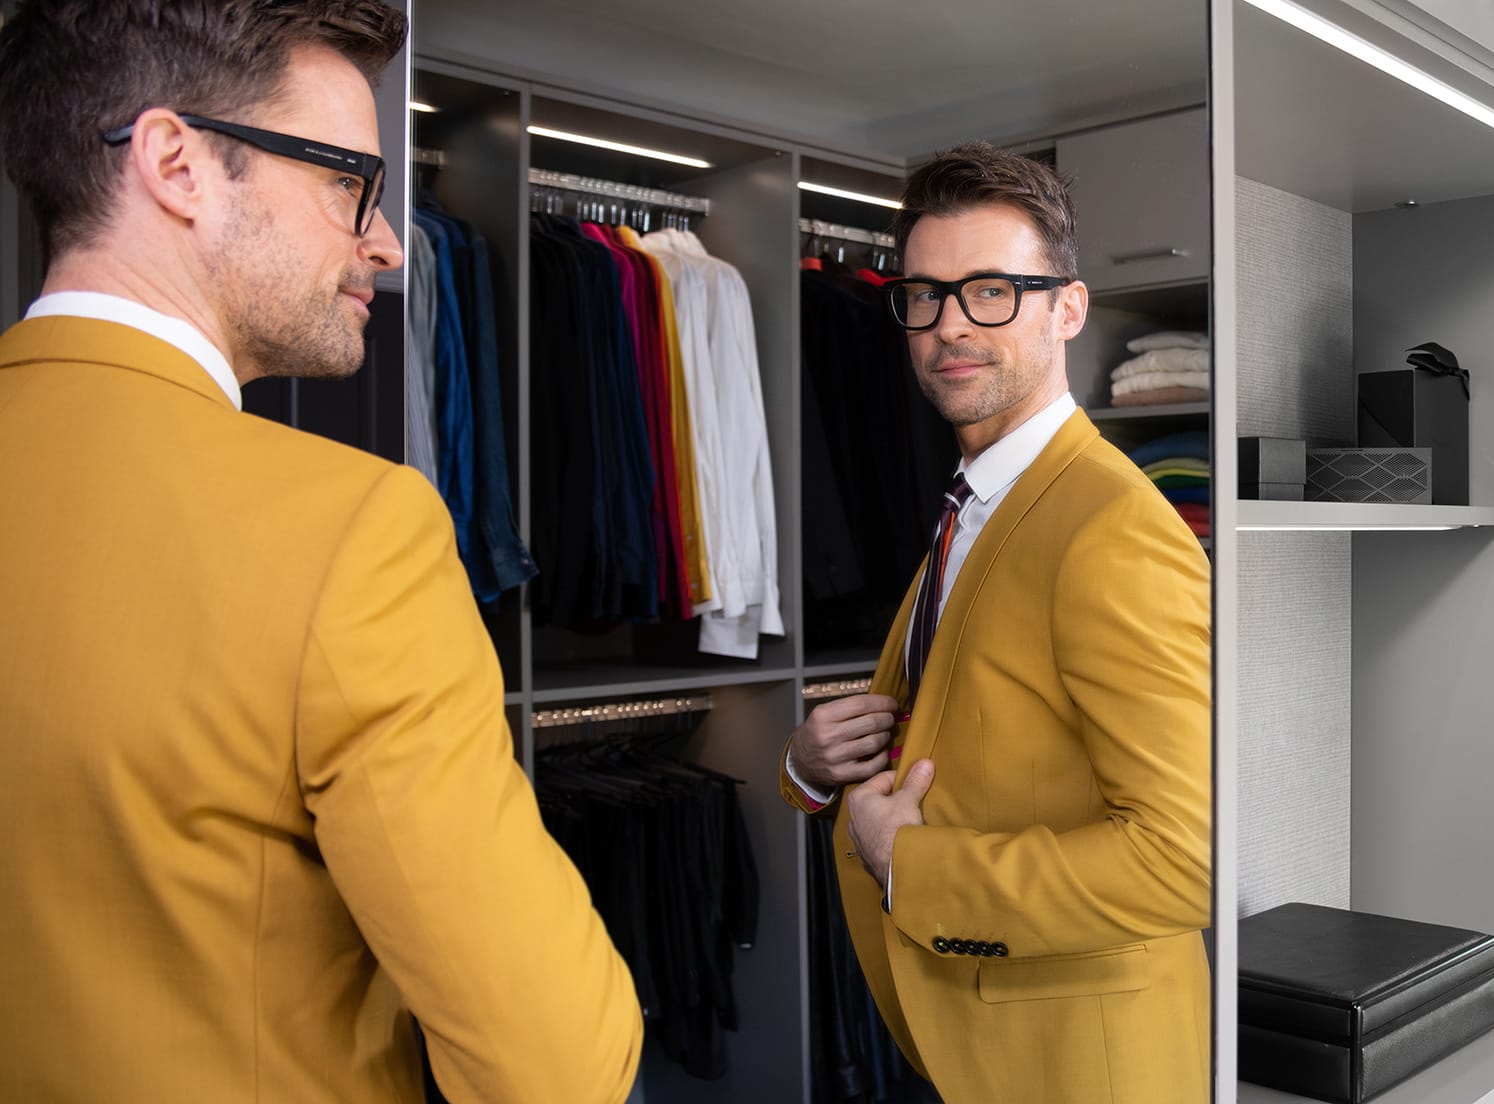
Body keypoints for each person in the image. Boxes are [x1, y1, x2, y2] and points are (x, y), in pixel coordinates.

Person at [0, 3, 641, 1101]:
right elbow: (558, 1066)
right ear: (177, 162)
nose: (387, 243)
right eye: (349, 180)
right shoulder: (351, 534)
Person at [779, 142, 1213, 1103]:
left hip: (1080, 1064)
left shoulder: (1110, 530)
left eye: (991, 291)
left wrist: (914, 866)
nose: (949, 327)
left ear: (1068, 308)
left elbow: (1183, 861)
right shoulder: (976, 500)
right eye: (924, 296)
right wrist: (811, 767)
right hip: (974, 1035)